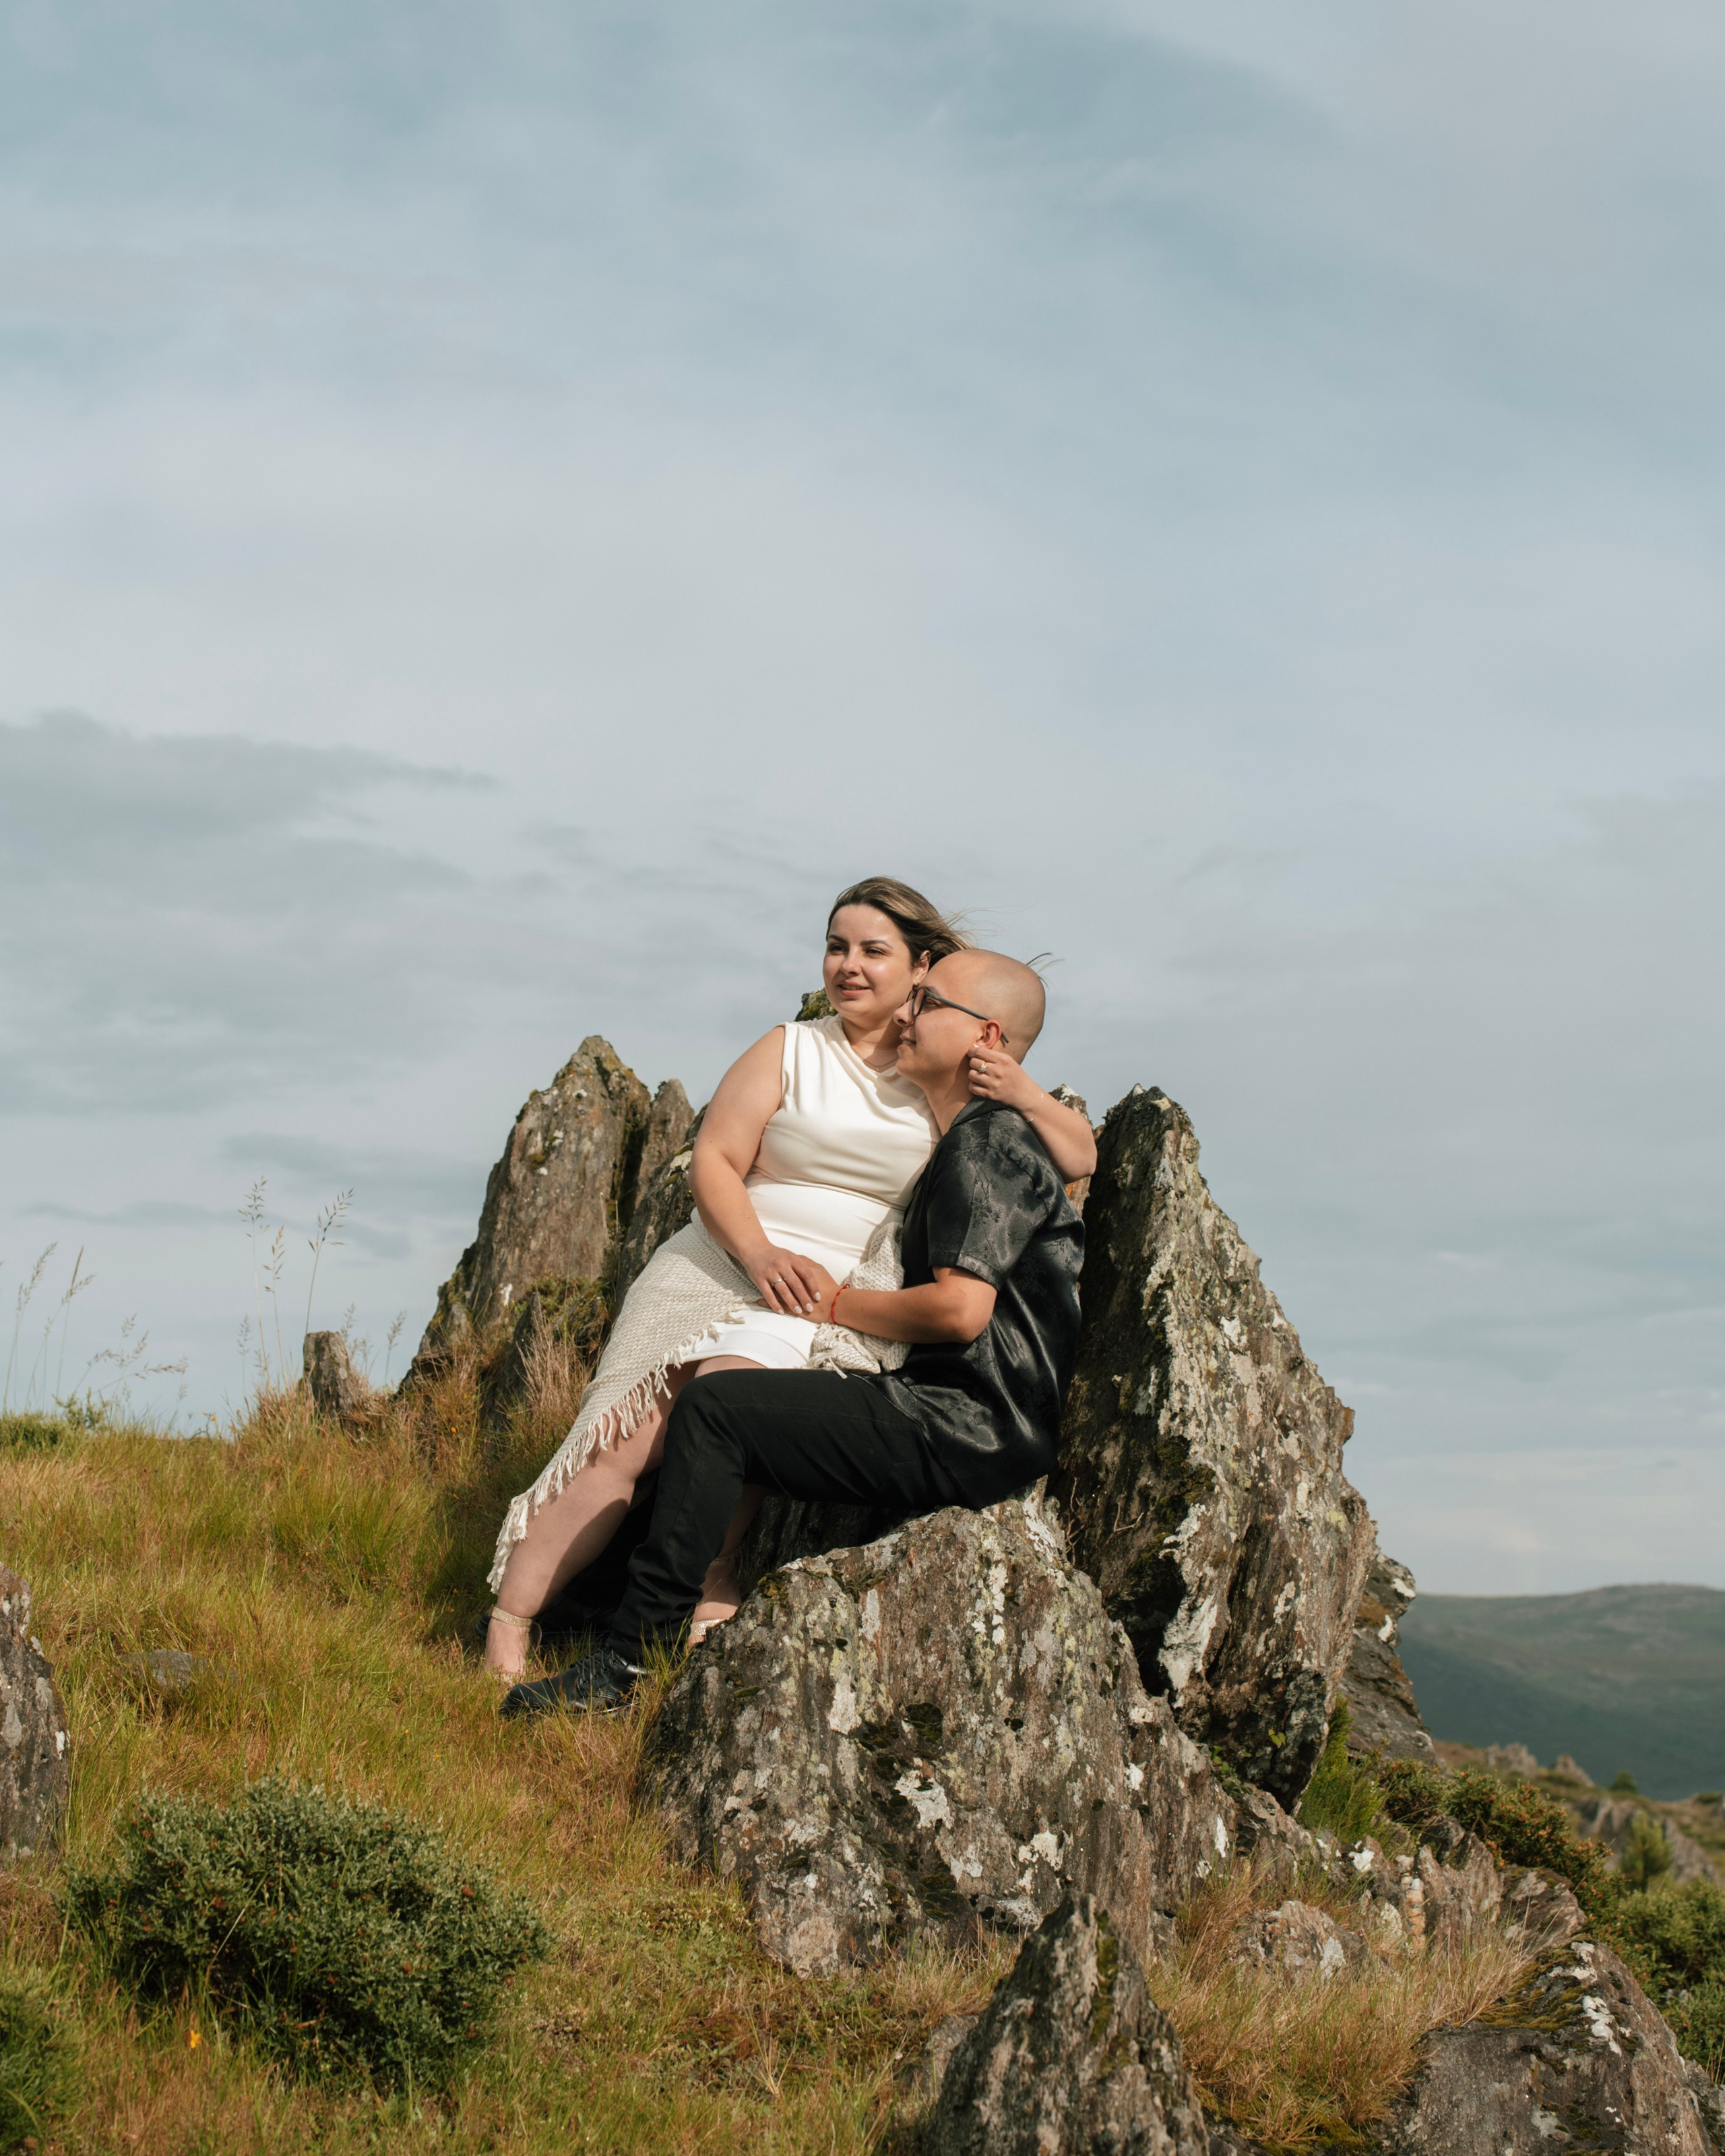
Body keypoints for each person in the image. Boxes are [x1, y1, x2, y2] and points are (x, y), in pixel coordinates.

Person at [482, 882, 1096, 1679]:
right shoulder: (795, 1046)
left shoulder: (945, 1073)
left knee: (739, 1402)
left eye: (873, 950)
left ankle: (696, 1597)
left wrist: (1017, 1083)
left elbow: (1073, 1157)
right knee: (625, 1435)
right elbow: (715, 1157)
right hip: (730, 1257)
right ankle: (507, 1627)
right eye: (836, 946)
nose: (848, 965)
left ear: (922, 969)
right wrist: (760, 1254)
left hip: (833, 1290)